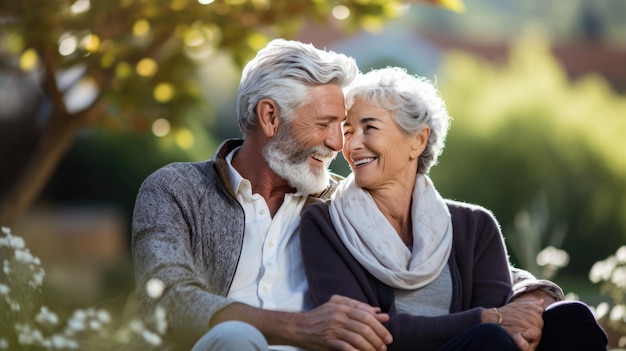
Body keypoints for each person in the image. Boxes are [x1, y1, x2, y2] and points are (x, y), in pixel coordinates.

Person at [131, 38, 577, 351]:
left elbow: (451, 252)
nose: (336, 143)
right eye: (325, 124)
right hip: (225, 346)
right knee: (235, 339)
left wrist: (532, 297)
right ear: (269, 117)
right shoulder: (178, 190)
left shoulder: (340, 202)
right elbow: (167, 297)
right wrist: (301, 328)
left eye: (342, 127)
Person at [299, 66, 608, 351]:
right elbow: (361, 331)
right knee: (489, 337)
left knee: (572, 317)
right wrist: (483, 320)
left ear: (418, 140)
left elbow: (507, 324)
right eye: (348, 131)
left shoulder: (475, 226)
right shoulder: (324, 223)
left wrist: (503, 320)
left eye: (369, 128)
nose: (351, 146)